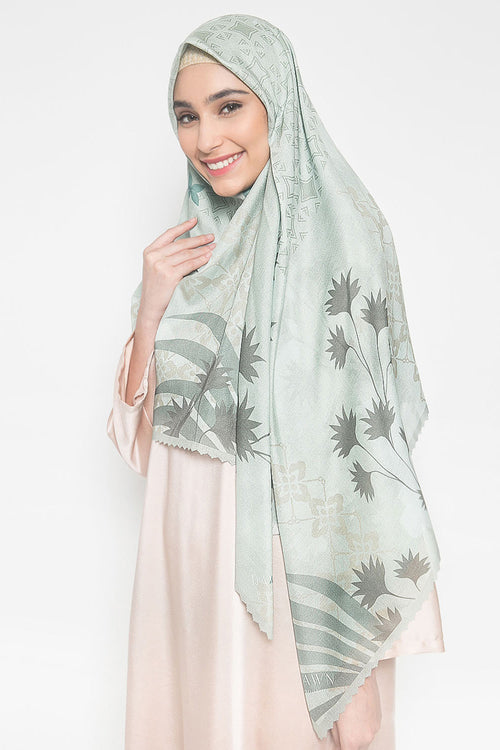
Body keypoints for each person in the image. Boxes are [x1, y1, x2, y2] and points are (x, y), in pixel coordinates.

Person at [107, 14, 445, 750]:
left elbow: (366, 459)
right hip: (187, 553)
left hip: (298, 576)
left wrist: (354, 668)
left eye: (229, 106)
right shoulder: (190, 248)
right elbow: (141, 441)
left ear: (278, 103)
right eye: (186, 116)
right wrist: (153, 305)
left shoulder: (345, 235)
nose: (207, 139)